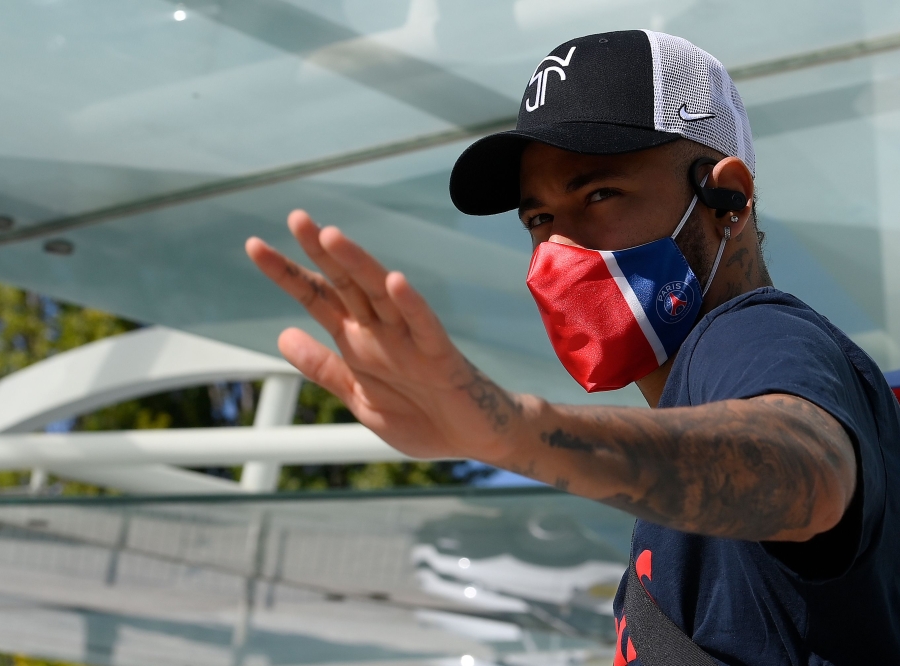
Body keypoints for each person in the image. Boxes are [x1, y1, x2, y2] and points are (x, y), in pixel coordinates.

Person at [246, 30, 900, 664]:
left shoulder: (752, 336)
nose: (558, 250)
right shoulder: (690, 400)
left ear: (728, 200)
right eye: (539, 219)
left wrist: (517, 435)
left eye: (598, 193)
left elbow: (808, 469)